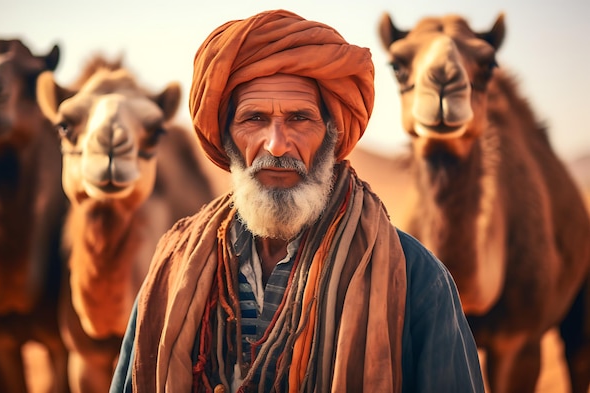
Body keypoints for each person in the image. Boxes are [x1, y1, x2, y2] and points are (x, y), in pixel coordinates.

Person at [110, 9, 484, 393]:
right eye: (253, 119)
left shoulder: (415, 277)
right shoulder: (173, 268)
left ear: (332, 134)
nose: (276, 144)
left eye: (299, 119)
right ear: (226, 137)